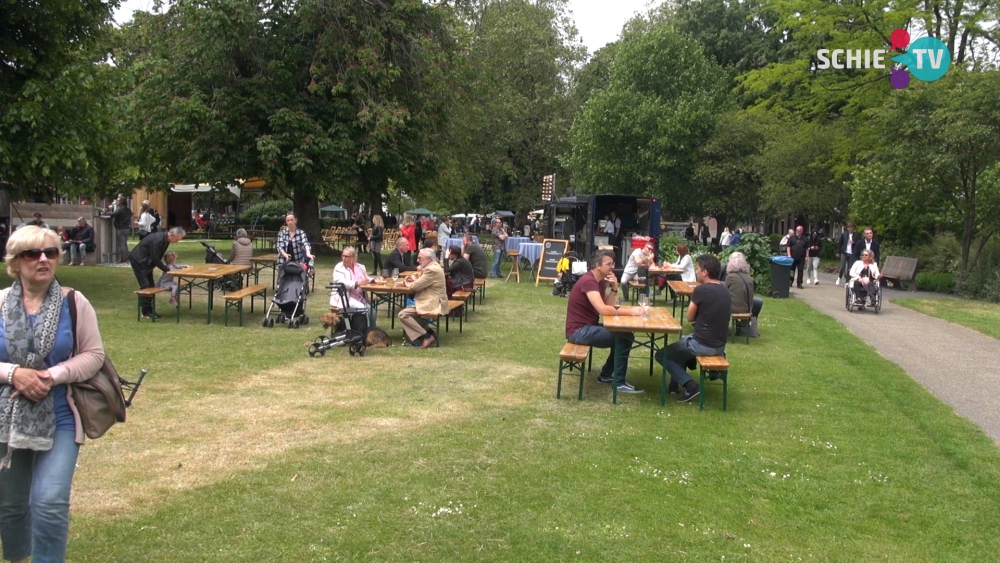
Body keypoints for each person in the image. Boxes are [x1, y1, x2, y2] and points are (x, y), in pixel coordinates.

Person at [0, 226, 105, 562]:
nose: (43, 259)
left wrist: (53, 374)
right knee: (11, 504)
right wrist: (14, 374)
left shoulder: (75, 302)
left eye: (51, 252)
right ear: (16, 262)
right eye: (32, 254)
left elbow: (93, 355)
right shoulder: (0, 303)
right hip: (6, 419)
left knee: (49, 501)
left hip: (60, 414)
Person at [565, 249, 644, 394]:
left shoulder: (600, 281)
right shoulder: (589, 282)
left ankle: (606, 375)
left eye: (613, 263)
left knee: (624, 334)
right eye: (609, 264)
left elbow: (607, 305)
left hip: (588, 327)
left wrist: (614, 288)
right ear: (598, 265)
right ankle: (618, 382)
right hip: (579, 331)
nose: (612, 267)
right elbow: (603, 310)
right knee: (624, 336)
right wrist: (632, 311)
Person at [655, 254, 731, 402]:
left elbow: (689, 317)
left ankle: (691, 386)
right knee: (682, 344)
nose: (696, 271)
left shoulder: (701, 290)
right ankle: (674, 385)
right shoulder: (725, 290)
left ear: (705, 272)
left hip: (702, 344)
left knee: (661, 354)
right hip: (720, 345)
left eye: (697, 269)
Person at [129, 227, 186, 319]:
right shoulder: (158, 240)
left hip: (146, 262)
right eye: (177, 239)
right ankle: (146, 312)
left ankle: (149, 310)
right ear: (172, 235)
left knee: (151, 285)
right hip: (139, 261)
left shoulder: (166, 240)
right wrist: (167, 270)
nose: (178, 241)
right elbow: (155, 257)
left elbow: (157, 257)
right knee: (145, 285)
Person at [398, 248, 448, 349]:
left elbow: (414, 287)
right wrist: (415, 279)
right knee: (414, 315)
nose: (417, 260)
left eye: (420, 258)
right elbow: (423, 282)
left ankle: (426, 336)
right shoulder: (434, 266)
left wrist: (406, 282)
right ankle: (430, 332)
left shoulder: (431, 270)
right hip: (435, 300)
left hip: (433, 303)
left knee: (403, 315)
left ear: (428, 259)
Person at [331, 246, 371, 333]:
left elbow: (366, 278)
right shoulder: (339, 267)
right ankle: (361, 333)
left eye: (346, 256)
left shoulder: (360, 267)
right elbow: (341, 282)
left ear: (353, 257)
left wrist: (374, 280)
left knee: (371, 310)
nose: (344, 258)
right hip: (344, 297)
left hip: (360, 296)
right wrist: (357, 283)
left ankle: (371, 331)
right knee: (362, 308)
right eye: (343, 256)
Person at [725, 252, 764, 319]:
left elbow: (723, 292)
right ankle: (751, 322)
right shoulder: (750, 278)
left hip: (733, 307)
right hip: (748, 308)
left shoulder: (730, 277)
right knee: (758, 301)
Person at [111, 197, 133, 263]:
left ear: (121, 202)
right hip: (127, 228)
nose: (116, 202)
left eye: (118, 201)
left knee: (122, 244)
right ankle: (127, 257)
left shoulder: (120, 210)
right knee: (125, 243)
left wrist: (113, 207)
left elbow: (112, 215)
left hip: (120, 228)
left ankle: (123, 258)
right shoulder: (128, 210)